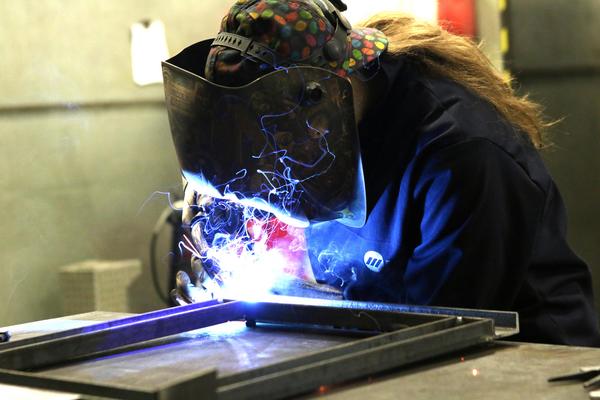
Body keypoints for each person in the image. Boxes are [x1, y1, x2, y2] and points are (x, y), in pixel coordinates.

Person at [163, 0, 600, 346]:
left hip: (529, 367)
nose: (272, 154)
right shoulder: (321, 139)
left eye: (278, 130)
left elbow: (441, 334)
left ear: (326, 92)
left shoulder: (464, 157)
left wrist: (284, 309)